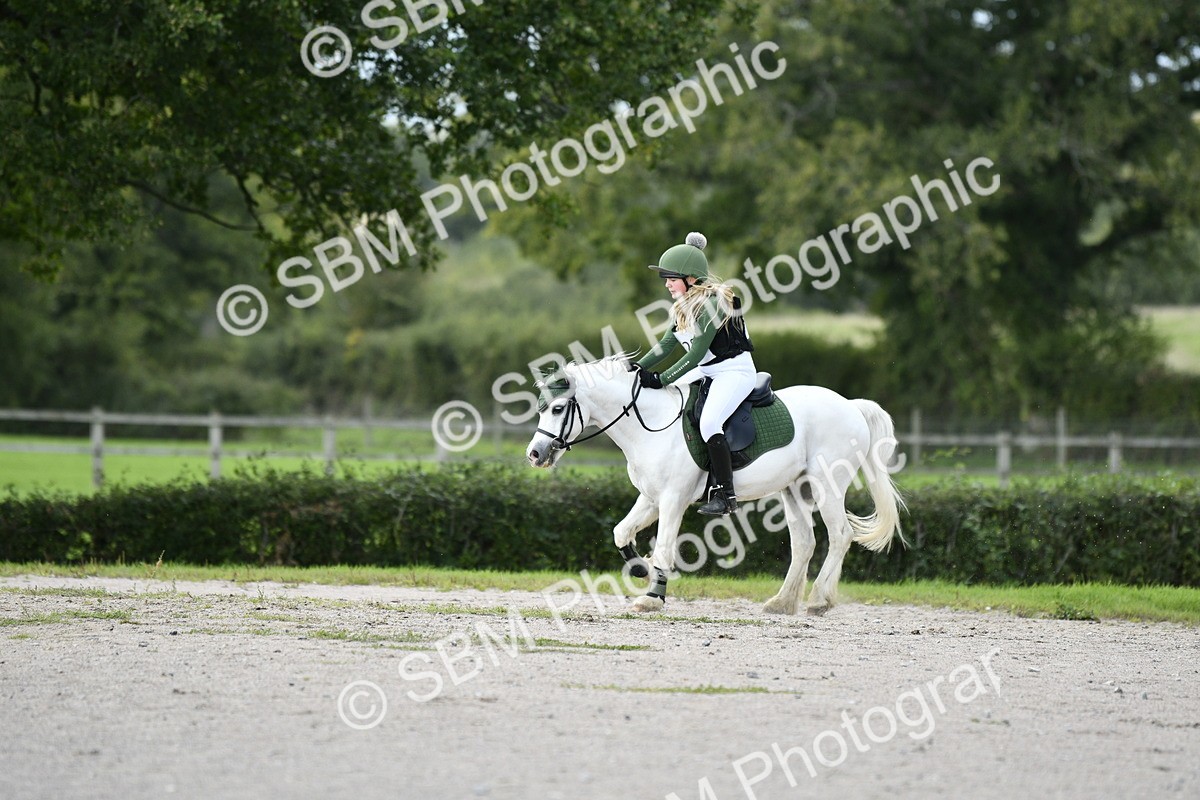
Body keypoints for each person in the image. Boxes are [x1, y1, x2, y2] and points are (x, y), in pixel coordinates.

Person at [633, 231, 755, 516]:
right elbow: (666, 345)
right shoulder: (684, 305)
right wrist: (637, 367)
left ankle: (726, 494)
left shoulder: (712, 304)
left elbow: (696, 353)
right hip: (707, 371)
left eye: (671, 278)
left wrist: (661, 378)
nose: (666, 284)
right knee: (669, 403)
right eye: (665, 278)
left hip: (733, 372)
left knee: (710, 422)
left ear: (690, 278)